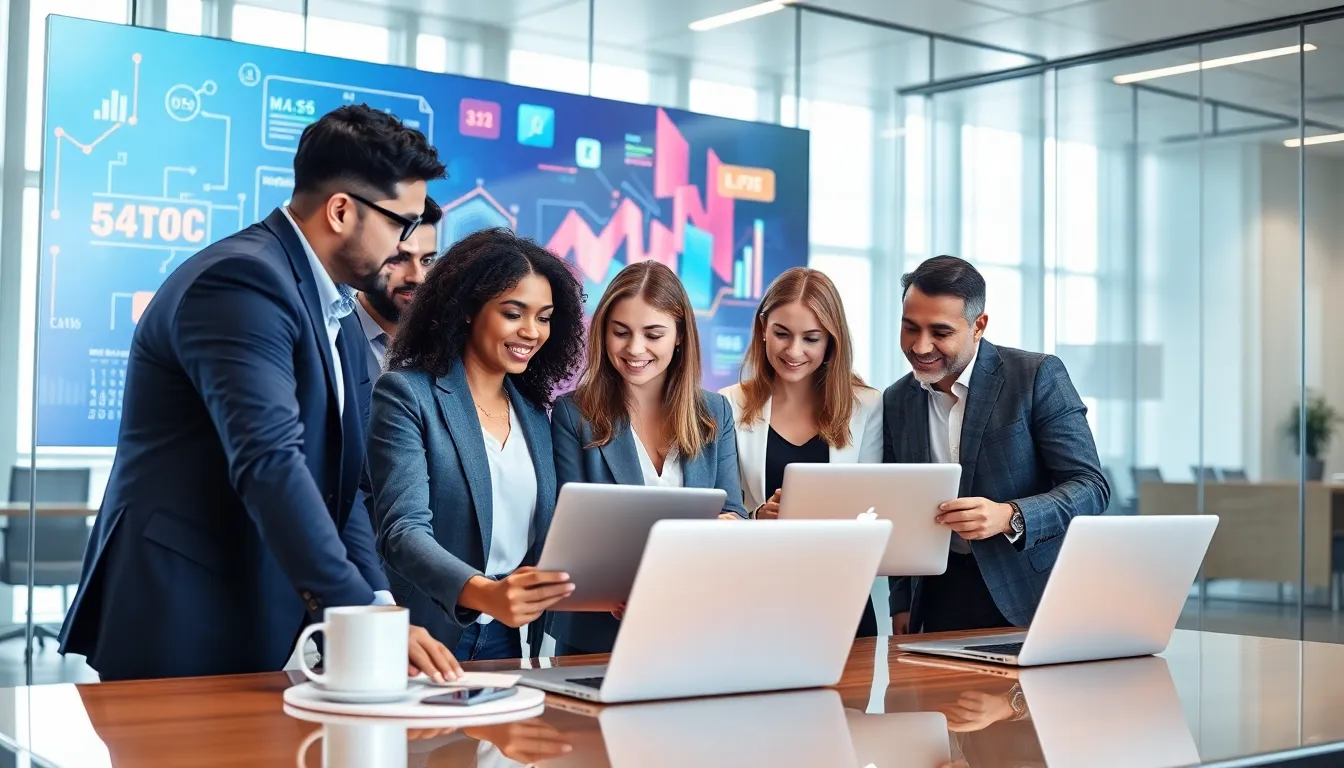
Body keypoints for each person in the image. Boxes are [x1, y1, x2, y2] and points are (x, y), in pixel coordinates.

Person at [58, 105, 462, 683]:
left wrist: (374, 601)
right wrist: (358, 613)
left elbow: (343, 489)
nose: (406, 244)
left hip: (260, 609)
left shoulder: (338, 311)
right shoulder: (242, 282)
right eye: (401, 223)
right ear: (342, 210)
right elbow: (270, 461)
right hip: (184, 611)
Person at [367, 227, 586, 661]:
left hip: (509, 637)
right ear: (468, 310)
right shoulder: (407, 394)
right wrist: (486, 594)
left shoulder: (535, 414)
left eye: (544, 317)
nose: (532, 331)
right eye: (513, 313)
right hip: (428, 634)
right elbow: (402, 533)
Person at [884, 255, 1109, 635]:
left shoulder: (1035, 376)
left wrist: (1009, 515)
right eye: (910, 328)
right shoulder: (896, 400)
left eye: (939, 332)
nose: (921, 347)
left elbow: (1091, 487)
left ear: (979, 326)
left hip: (1029, 593)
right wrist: (902, 602)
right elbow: (896, 505)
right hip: (937, 599)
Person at [549, 261, 747, 655]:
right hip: (599, 628)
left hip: (694, 625)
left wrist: (728, 524)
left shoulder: (715, 412)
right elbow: (567, 529)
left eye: (652, 334)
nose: (634, 349)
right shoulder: (574, 414)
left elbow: (734, 511)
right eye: (620, 332)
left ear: (679, 337)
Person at [719, 267, 884, 636]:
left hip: (841, 594)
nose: (794, 351)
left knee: (846, 695)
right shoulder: (727, 404)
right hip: (754, 595)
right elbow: (722, 511)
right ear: (763, 329)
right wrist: (758, 516)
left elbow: (874, 507)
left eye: (811, 338)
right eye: (781, 334)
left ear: (831, 341)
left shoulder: (867, 406)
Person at [352, 196, 442, 378]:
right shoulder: (328, 334)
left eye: (427, 260)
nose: (418, 277)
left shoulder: (445, 342)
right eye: (401, 258)